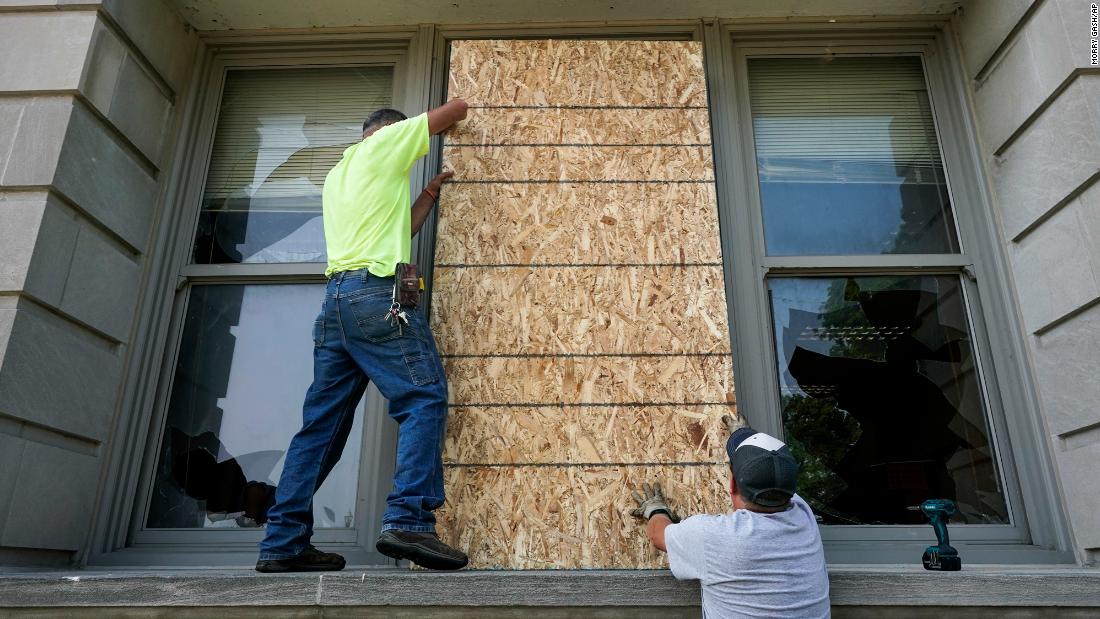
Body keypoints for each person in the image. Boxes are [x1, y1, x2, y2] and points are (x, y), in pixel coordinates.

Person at [256, 99, 470, 573]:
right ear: (383, 135)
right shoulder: (383, 143)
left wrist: (428, 196)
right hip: (376, 297)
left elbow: (392, 231)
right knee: (423, 399)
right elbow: (454, 110)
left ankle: (283, 541)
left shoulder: (339, 176)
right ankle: (408, 519)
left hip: (337, 303)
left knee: (321, 428)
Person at [630, 416, 831, 618]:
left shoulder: (715, 536)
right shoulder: (804, 515)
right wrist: (746, 439)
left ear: (732, 484)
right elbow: (774, 477)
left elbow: (658, 535)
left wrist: (656, 509)